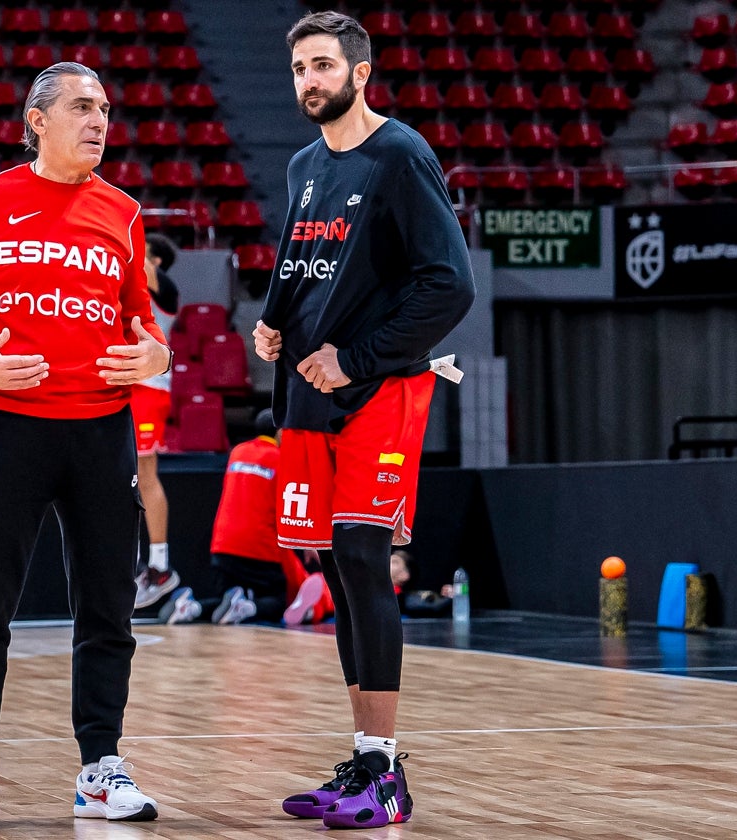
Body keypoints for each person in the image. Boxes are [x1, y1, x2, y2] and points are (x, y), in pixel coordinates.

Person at [0, 62, 171, 828]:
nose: (99, 121)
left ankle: (100, 770)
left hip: (100, 431)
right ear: (38, 120)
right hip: (4, 427)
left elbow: (144, 327)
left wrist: (156, 356)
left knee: (108, 611)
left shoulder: (123, 213)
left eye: (105, 110)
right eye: (83, 108)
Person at [254, 11, 475, 830]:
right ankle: (366, 758)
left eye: (323, 65)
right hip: (310, 395)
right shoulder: (306, 164)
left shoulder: (400, 155)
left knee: (360, 553)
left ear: (360, 70)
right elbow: (299, 258)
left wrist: (357, 355)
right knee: (341, 571)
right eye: (300, 69)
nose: (310, 80)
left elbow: (448, 286)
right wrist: (273, 322)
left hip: (379, 388)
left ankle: (385, 776)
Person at [159, 408, 308, 625]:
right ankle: (247, 607)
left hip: (222, 546)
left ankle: (191, 606)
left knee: (224, 601)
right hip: (260, 549)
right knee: (279, 600)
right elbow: (288, 506)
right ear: (281, 432)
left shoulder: (237, 452)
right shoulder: (281, 458)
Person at [133, 233, 181, 609]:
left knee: (146, 474)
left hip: (149, 388)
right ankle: (137, 563)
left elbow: (138, 261)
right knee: (125, 477)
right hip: (128, 384)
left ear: (158, 261)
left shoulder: (164, 287)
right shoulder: (133, 285)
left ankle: (161, 566)